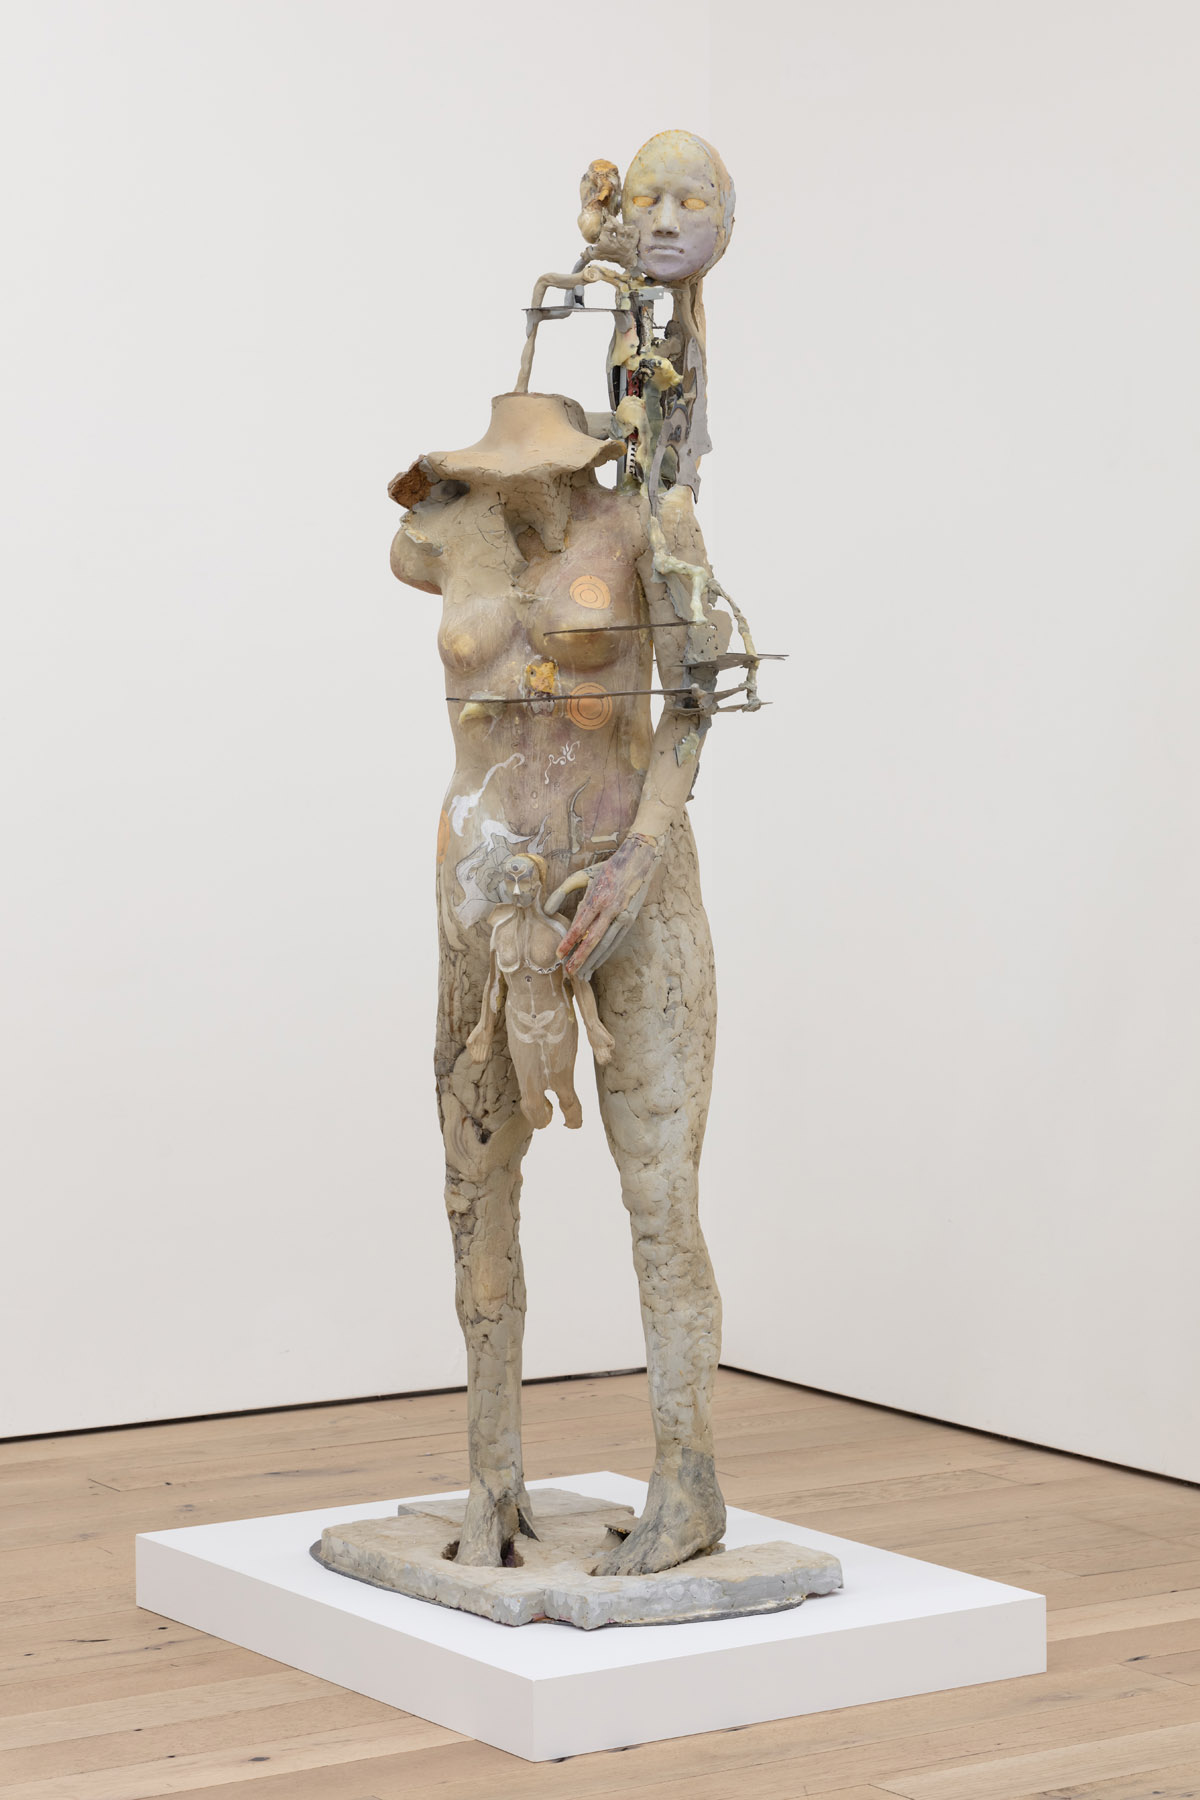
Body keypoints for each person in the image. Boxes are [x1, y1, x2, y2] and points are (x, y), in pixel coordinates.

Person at [388, 131, 739, 1576]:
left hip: (626, 883)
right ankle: (491, 1478)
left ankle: (687, 1481)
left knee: (658, 1195)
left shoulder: (646, 516)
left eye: (688, 201)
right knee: (474, 1178)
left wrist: (645, 854)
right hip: (482, 890)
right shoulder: (442, 524)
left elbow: (698, 697)